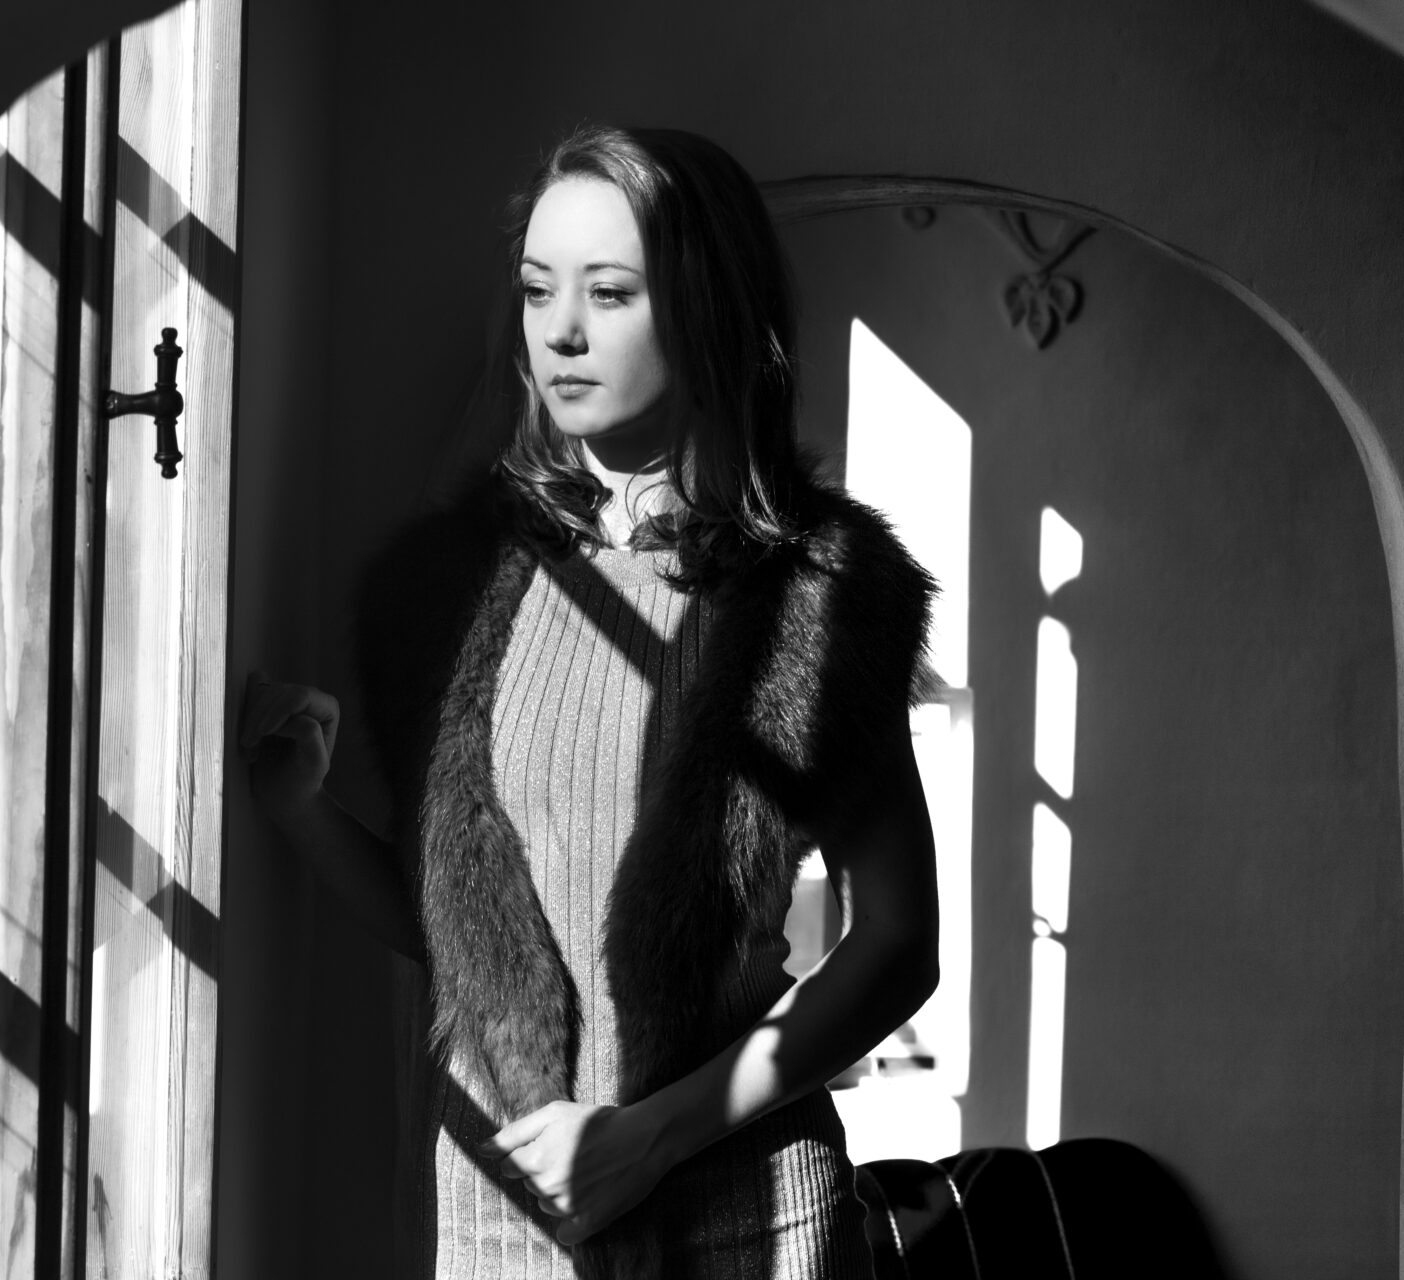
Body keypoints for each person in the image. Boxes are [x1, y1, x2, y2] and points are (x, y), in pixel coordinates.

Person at [239, 123, 940, 1279]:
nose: (560, 329)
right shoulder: (446, 591)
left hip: (747, 1211)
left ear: (710, 314)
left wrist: (651, 1136)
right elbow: (460, 933)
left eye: (609, 292)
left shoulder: (821, 594)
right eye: (537, 289)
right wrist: (302, 810)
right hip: (503, 1209)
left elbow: (900, 943)